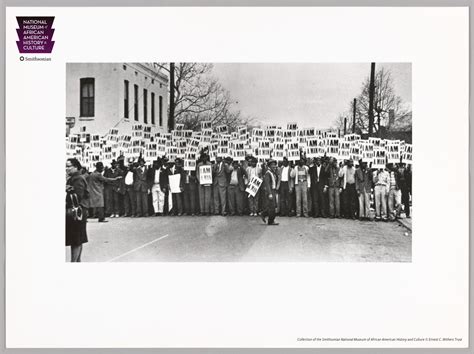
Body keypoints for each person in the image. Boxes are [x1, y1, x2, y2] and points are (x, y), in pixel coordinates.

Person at [66, 158, 89, 262]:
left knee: (76, 240)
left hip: (76, 212)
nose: (66, 169)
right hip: (76, 212)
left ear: (75, 167)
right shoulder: (73, 178)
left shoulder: (78, 179)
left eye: (68, 166)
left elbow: (77, 196)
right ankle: (77, 262)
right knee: (77, 239)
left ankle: (73, 263)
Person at [261, 159, 279, 225]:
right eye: (272, 165)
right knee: (272, 207)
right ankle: (271, 221)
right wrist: (270, 193)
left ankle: (264, 214)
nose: (274, 166)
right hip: (270, 191)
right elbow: (267, 184)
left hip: (273, 190)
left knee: (273, 206)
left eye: (275, 165)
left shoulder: (273, 172)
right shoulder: (268, 173)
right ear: (269, 166)